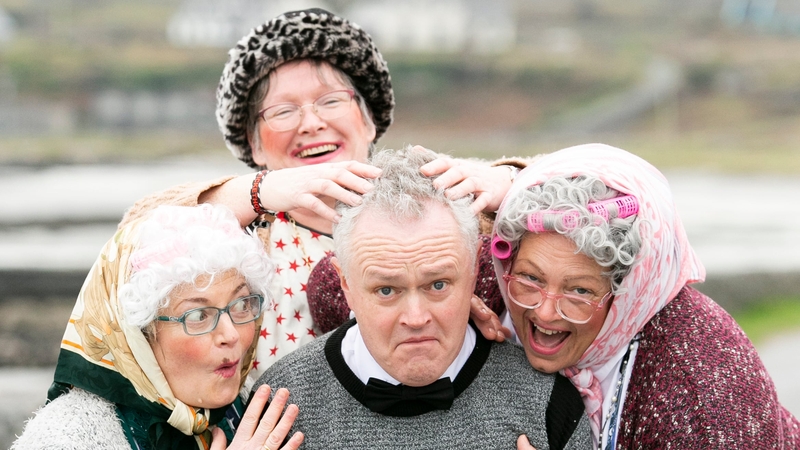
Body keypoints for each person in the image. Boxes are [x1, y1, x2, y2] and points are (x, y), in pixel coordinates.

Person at [120, 8, 523, 375]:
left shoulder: (447, 208)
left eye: (330, 101)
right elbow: (134, 236)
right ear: (253, 145)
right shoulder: (238, 237)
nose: (311, 123)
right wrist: (261, 191)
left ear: (369, 121)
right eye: (282, 110)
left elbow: (581, 205)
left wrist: (515, 182)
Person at [255, 148, 592, 449]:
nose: (416, 318)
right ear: (345, 283)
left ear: (475, 267)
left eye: (438, 285)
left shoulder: (547, 402)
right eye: (387, 290)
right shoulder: (277, 408)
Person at [488, 143, 800, 449]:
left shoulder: (701, 404)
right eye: (530, 278)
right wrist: (508, 177)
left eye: (579, 291)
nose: (544, 313)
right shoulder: (481, 284)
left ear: (629, 294)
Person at [12, 204, 304, 450]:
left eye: (241, 305)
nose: (230, 335)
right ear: (139, 335)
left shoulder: (252, 412)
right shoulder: (65, 439)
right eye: (199, 315)